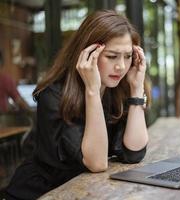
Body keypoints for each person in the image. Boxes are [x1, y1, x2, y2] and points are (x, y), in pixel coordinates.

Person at [2, 10, 151, 199]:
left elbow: (134, 153)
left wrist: (137, 88)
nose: (121, 66)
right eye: (112, 56)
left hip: (87, 192)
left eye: (128, 56)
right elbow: (96, 163)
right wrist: (92, 91)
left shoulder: (118, 89)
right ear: (88, 55)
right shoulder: (53, 95)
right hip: (40, 193)